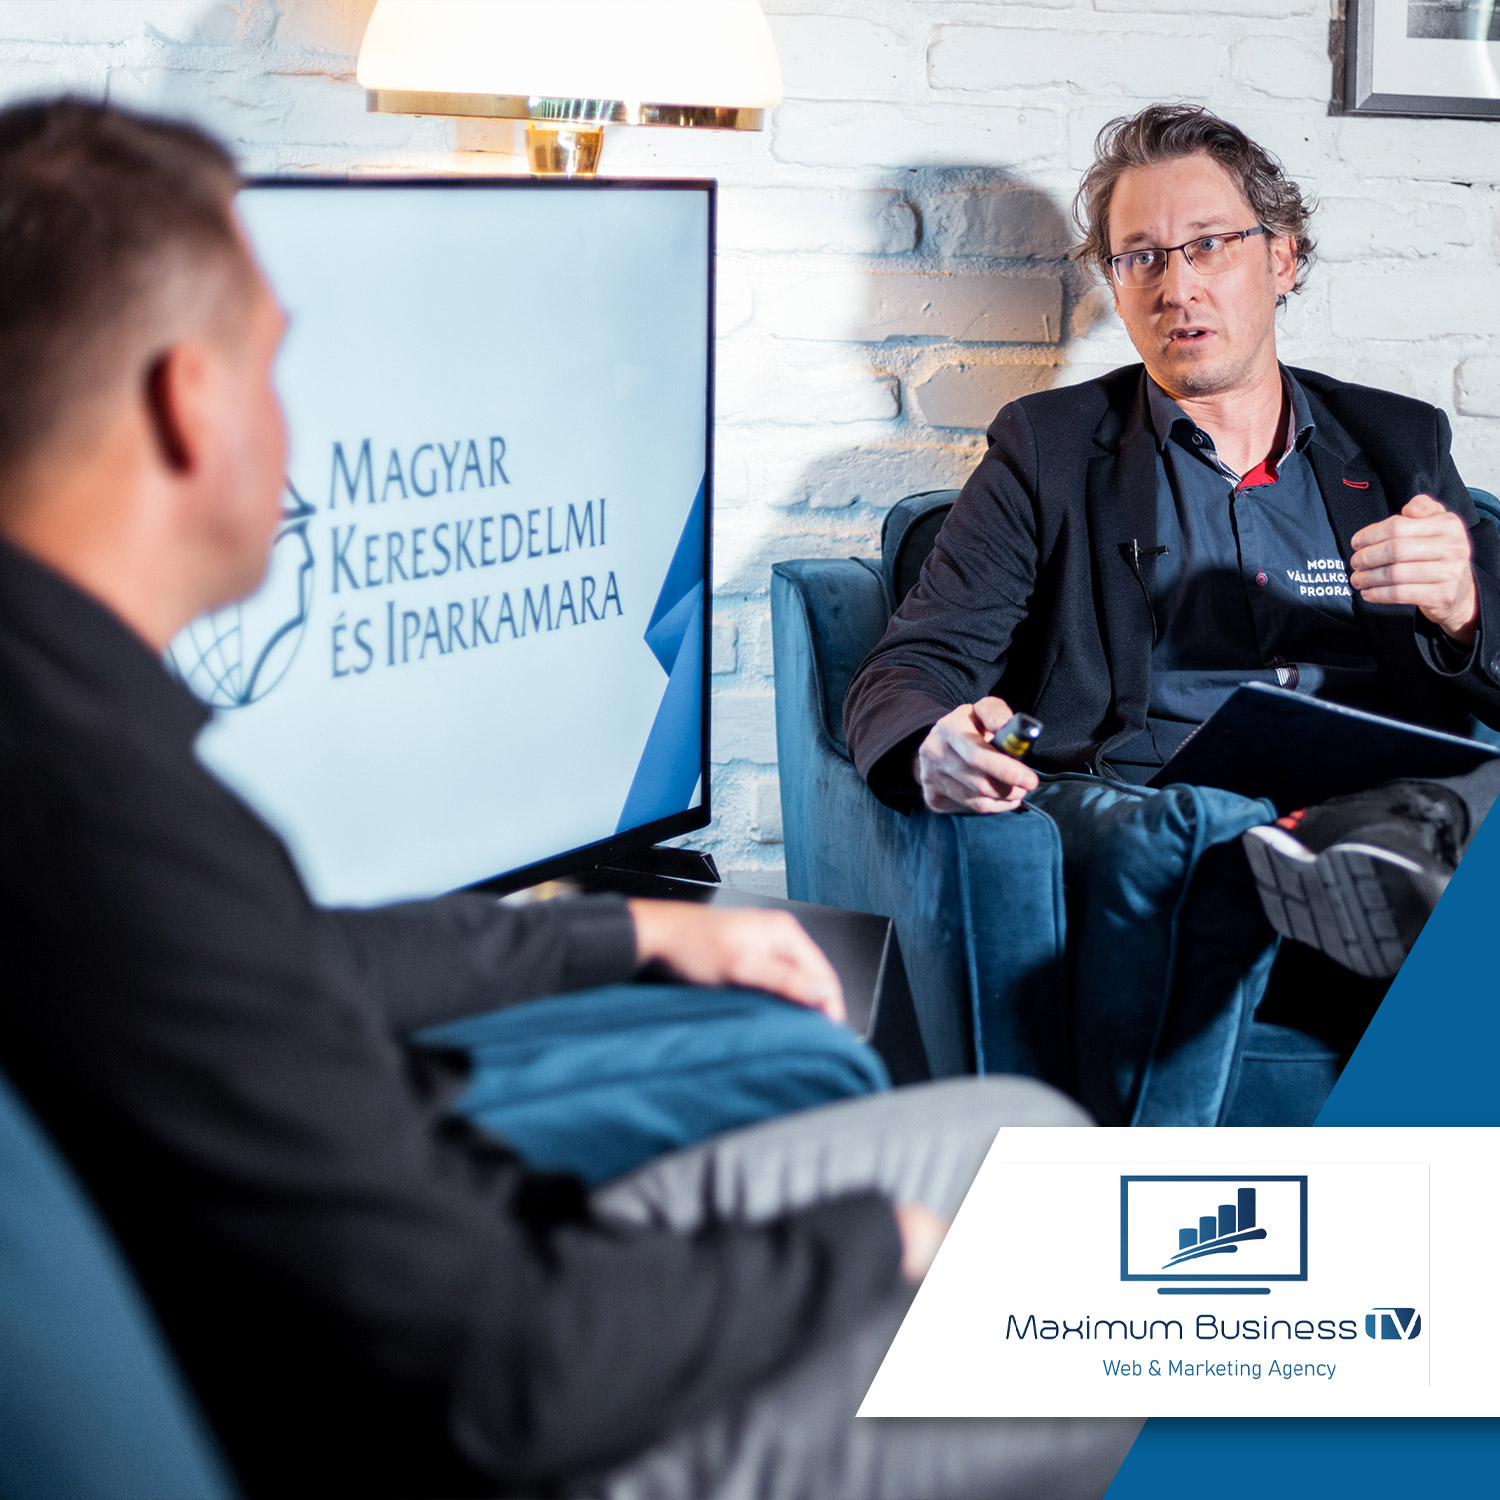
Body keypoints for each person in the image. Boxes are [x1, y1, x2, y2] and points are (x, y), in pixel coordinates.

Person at [0, 97, 1140, 1500]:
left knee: (1024, 1141)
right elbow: (506, 1374)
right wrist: (877, 1252)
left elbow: (285, 963)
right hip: (501, 1405)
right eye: (275, 365)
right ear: (189, 402)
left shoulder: (67, 734)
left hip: (476, 1257)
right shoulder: (105, 817)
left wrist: (633, 932)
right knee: (1124, 1338)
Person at [845, 102, 1500, 985]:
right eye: (1141, 257)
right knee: (1203, 835)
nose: (1176, 287)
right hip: (1167, 814)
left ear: (1282, 258)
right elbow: (914, 663)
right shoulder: (1049, 449)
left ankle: (1371, 880)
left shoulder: (1396, 440)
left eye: (1209, 245)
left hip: (1385, 810)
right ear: (1115, 284)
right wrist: (935, 743)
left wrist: (1464, 608)